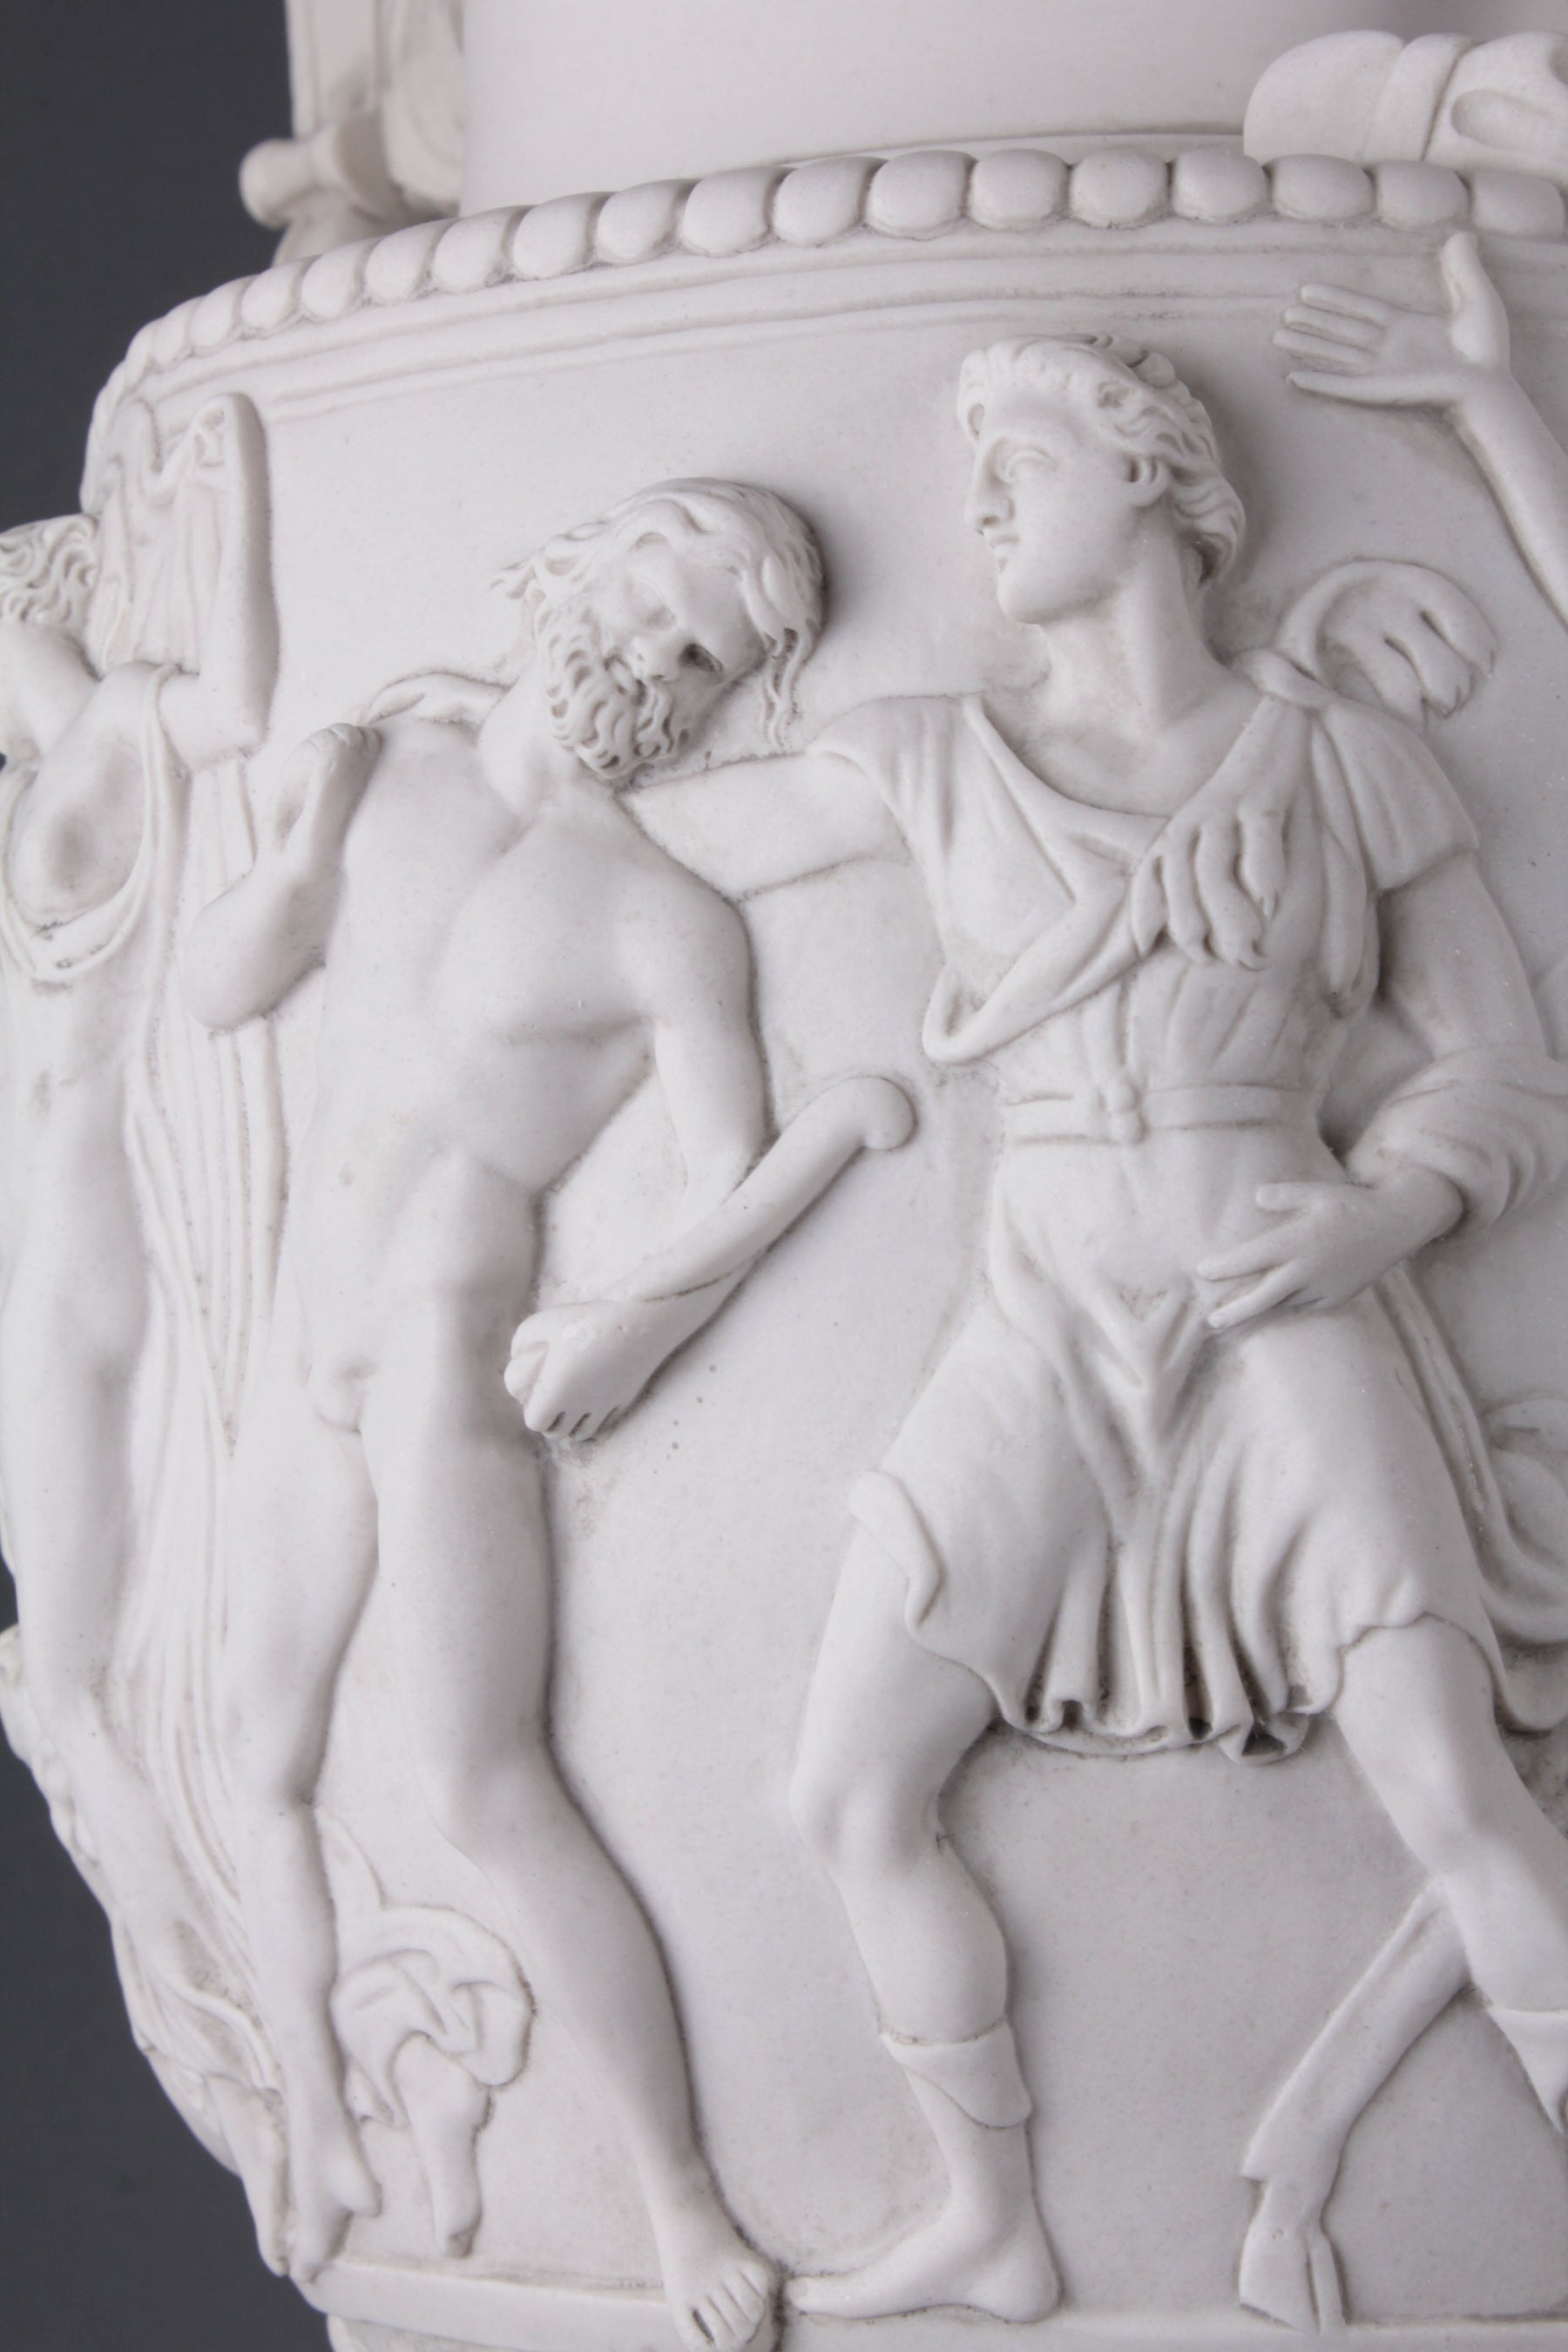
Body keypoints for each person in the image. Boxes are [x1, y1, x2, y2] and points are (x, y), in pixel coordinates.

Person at [626, 335, 1568, 2322]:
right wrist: (661, 634)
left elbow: (1501, 1061)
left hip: (1277, 1295)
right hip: (1050, 1325)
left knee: (1451, 1780)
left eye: (1024, 461)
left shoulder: (1339, 759)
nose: (978, 505)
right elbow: (664, 832)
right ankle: (993, 2220)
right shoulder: (925, 754)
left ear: (1155, 477)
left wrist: (1389, 1209)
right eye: (968, 472)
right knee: (849, 1785)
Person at [183, 478, 823, 2344]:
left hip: (443, 1365)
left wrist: (629, 1324)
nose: (651, 656)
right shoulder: (390, 774)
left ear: (720, 701)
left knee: (485, 1780)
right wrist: (300, 857)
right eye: (650, 599)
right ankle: (316, 2126)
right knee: (257, 1752)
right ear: (577, 569)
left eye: (699, 653)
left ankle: (677, 2198)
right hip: (302, 1347)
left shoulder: (661, 918)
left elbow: (730, 1177)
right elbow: (223, 985)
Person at [0, 392, 277, 1990]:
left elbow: (233, 706)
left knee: (74, 1674)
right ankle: (214, 1975)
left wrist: (241, 499)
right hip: (54, 1242)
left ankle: (209, 1972)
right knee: (65, 1666)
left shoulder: (104, 737)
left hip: (78, 1248)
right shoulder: (62, 765)